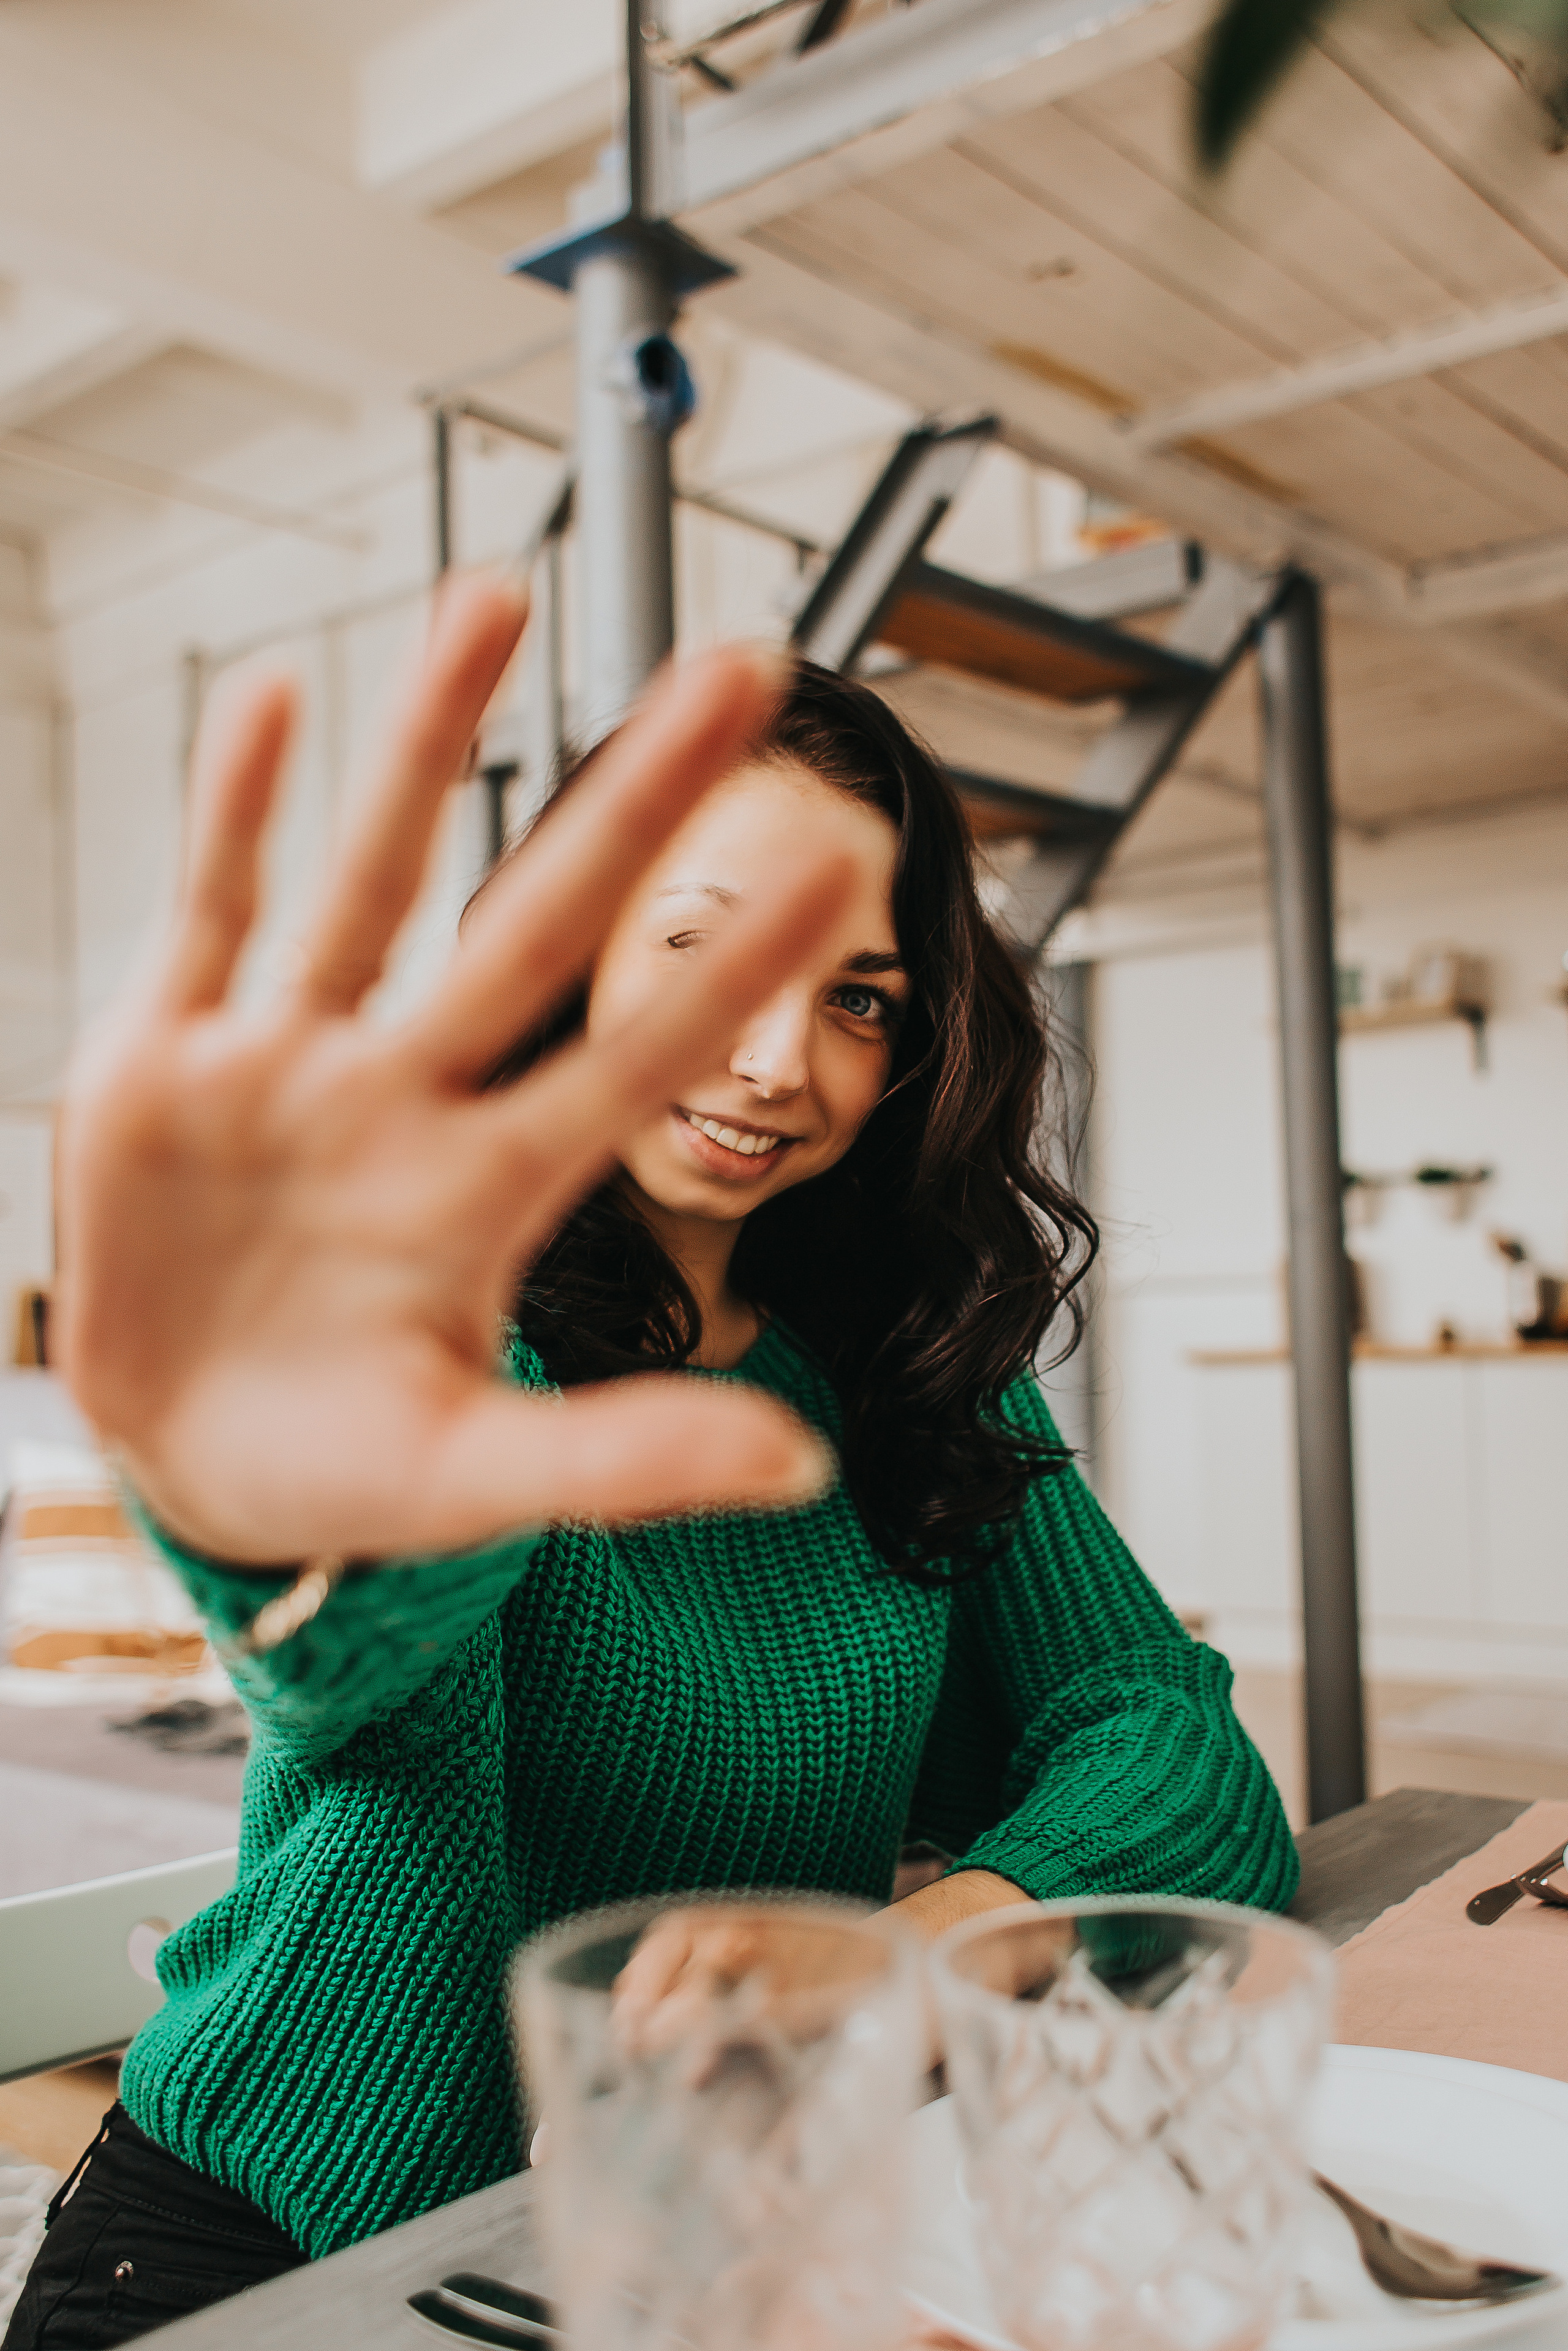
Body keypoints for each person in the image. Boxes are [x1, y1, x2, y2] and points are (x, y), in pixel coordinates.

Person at [6, 575, 1297, 2350]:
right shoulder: (463, 1362)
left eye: (858, 998)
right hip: (284, 2266)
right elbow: (364, 1664)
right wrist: (275, 1518)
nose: (776, 1062)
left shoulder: (907, 1373)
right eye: (705, 950)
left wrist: (910, 1958)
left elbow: (1181, 1754)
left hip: (694, 2247)